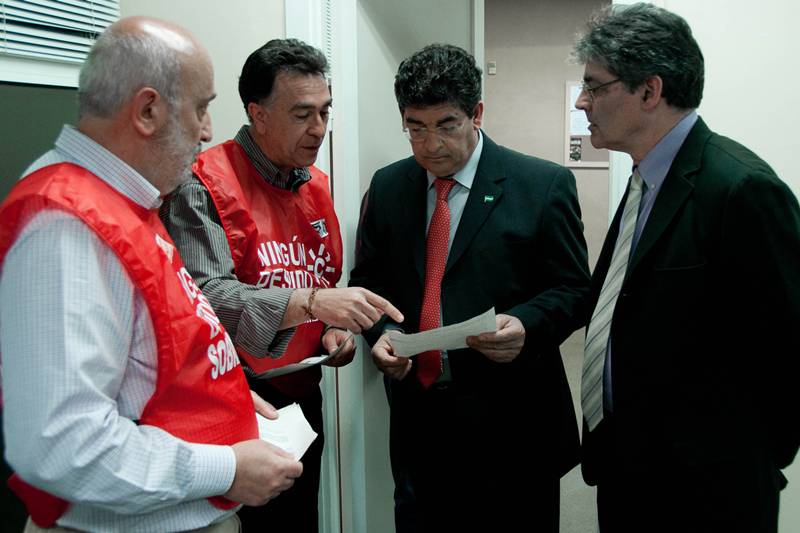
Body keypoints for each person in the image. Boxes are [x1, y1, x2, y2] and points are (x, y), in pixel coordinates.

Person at [0, 17, 305, 532]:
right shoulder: (67, 223)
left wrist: (221, 396)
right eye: (201, 108)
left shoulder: (124, 200)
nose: (207, 131)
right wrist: (226, 469)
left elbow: (147, 357)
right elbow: (63, 445)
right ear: (147, 111)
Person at [573, 4, 800, 532]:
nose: (582, 101)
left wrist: (747, 461)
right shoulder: (643, 179)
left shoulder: (741, 188)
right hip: (628, 469)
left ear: (649, 91)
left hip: (707, 490)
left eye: (594, 86)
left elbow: (787, 347)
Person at [160, 38, 402, 532]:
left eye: (325, 111)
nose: (319, 128)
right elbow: (207, 297)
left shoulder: (316, 184)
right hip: (234, 397)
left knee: (297, 520)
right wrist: (313, 302)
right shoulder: (203, 183)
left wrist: (332, 332)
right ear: (259, 114)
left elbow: (320, 282)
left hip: (302, 397)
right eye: (302, 114)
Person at [349, 43, 591, 532]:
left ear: (476, 113)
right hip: (420, 423)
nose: (430, 145)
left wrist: (526, 324)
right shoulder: (390, 187)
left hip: (513, 422)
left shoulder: (541, 185)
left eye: (447, 125)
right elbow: (367, 282)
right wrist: (381, 336)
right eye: (415, 127)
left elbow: (573, 289)